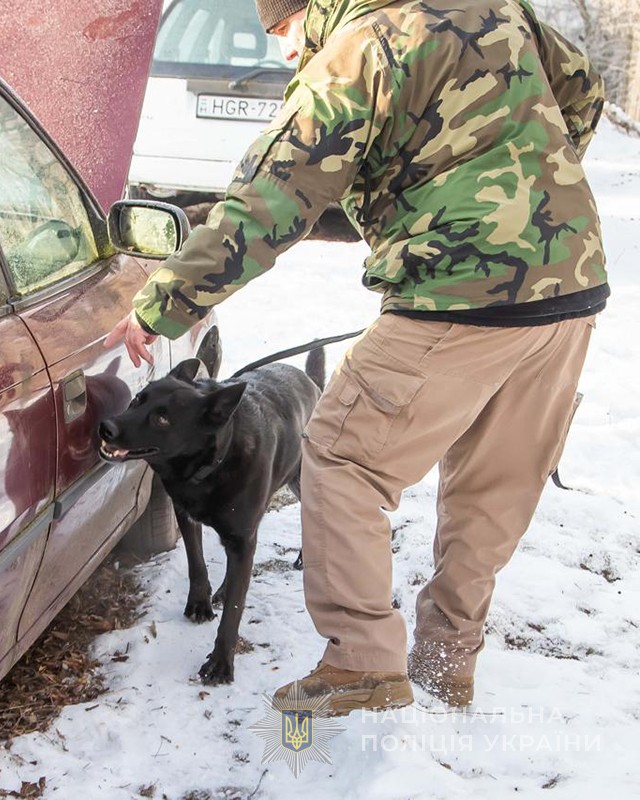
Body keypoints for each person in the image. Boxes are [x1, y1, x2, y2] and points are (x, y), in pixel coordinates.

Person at [105, 0, 608, 714]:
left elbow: (270, 200)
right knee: (490, 494)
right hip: (570, 287)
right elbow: (583, 87)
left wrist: (166, 302)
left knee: (339, 457)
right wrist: (531, 193)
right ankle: (447, 663)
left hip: (456, 292)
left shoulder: (358, 49)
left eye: (283, 31)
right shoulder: (490, 4)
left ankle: (364, 665)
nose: (285, 53)